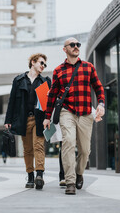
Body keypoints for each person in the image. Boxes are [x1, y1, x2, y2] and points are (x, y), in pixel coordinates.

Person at [43, 37, 105, 195]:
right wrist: (47, 117)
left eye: (78, 44)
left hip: (85, 113)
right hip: (66, 112)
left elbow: (98, 87)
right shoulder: (58, 70)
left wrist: (101, 104)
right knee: (68, 143)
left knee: (85, 150)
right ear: (65, 49)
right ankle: (70, 181)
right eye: (72, 45)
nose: (76, 46)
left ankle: (79, 173)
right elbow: (52, 95)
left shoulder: (88, 67)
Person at [4, 53, 51, 190]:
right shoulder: (18, 80)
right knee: (28, 149)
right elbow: (12, 101)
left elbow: (49, 104)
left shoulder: (45, 82)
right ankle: (30, 175)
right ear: (33, 62)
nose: (43, 66)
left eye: (45, 64)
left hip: (39, 119)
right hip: (24, 119)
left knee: (39, 146)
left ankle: (39, 175)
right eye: (41, 63)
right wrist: (8, 120)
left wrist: (48, 118)